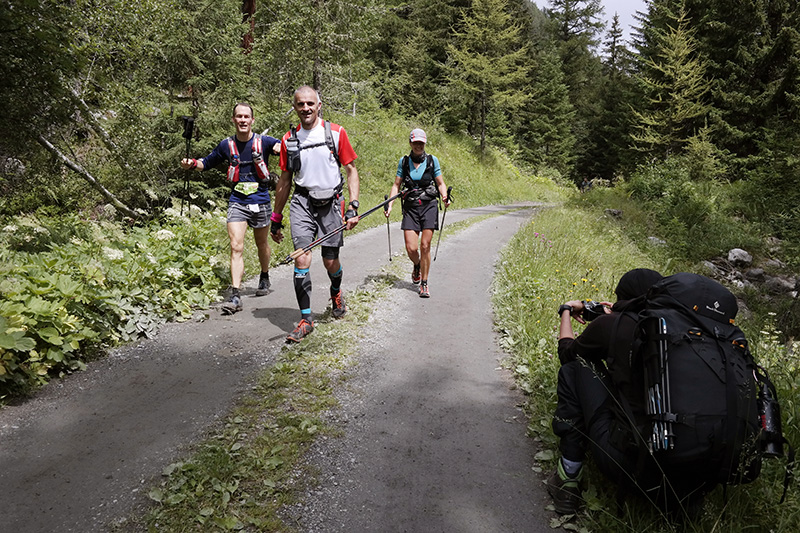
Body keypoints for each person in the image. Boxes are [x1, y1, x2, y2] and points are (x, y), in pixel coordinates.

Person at [547, 268, 664, 515]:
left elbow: (567, 352)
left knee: (574, 368)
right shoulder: (680, 331)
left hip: (630, 462)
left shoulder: (613, 325)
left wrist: (566, 310)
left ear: (624, 297)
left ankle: (568, 477)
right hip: (694, 470)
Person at [270, 85, 360, 342]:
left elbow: (351, 170)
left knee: (330, 260)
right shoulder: (289, 141)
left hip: (331, 203)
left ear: (319, 105)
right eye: (301, 104)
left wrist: (353, 205)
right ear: (295, 107)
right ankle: (306, 319)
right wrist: (276, 218)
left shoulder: (335, 133)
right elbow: (285, 180)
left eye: (310, 104)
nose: (306, 108)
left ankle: (336, 293)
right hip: (302, 202)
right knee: (302, 258)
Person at [181, 103, 280, 315]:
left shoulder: (264, 142)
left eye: (246, 117)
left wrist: (281, 148)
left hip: (261, 199)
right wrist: (191, 163)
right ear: (233, 120)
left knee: (262, 243)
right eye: (239, 117)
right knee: (236, 246)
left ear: (253, 120)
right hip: (237, 201)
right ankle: (235, 294)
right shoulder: (226, 145)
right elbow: (205, 163)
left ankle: (264, 275)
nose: (243, 120)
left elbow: (281, 148)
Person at [384, 128, 450, 298]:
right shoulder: (404, 162)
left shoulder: (432, 161)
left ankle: (424, 283)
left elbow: (440, 183)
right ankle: (417, 265)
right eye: (415, 142)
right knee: (411, 248)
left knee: (425, 245)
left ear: (424, 143)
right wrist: (390, 205)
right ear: (410, 143)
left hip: (429, 206)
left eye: (421, 143)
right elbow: (396, 185)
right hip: (411, 207)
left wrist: (444, 196)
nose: (418, 145)